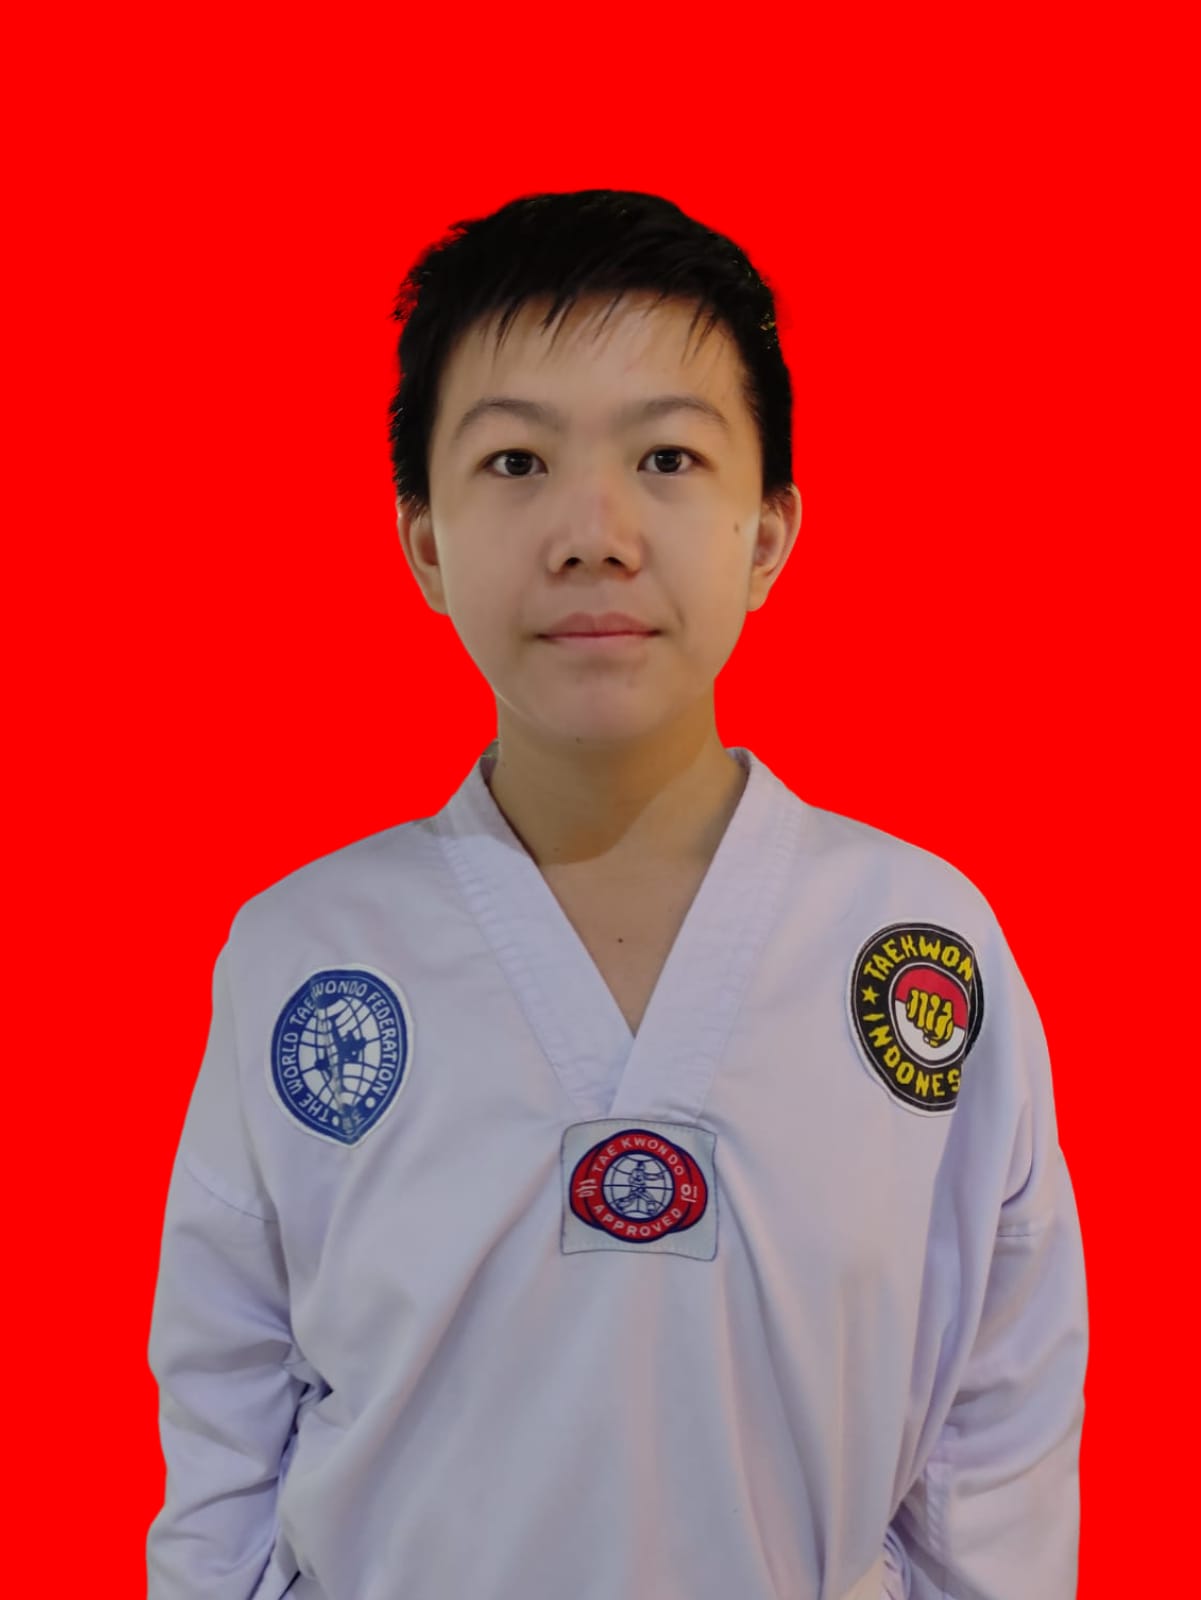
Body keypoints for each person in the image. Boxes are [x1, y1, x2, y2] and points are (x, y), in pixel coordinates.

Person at [146, 189, 1088, 1600]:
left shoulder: (915, 948)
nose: (593, 532)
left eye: (666, 457)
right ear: (424, 542)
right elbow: (224, 1428)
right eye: (516, 461)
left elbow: (995, 1438)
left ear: (766, 535)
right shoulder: (306, 956)